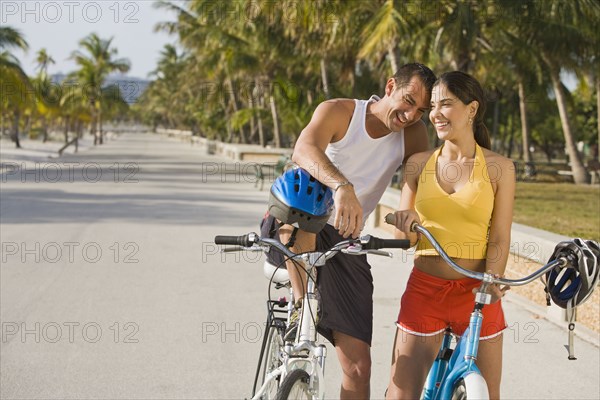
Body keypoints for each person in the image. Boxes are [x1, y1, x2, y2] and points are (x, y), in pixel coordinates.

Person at [263, 63, 436, 399]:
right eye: (408, 100)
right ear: (390, 87)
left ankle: (312, 307)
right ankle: (304, 305)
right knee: (305, 188)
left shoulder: (413, 135)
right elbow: (304, 149)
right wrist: (342, 187)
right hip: (295, 217)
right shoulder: (340, 111)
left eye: (421, 110)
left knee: (358, 368)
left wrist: (410, 213)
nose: (411, 114)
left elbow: (418, 182)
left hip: (346, 238)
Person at [385, 71, 516, 400]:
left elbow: (500, 236)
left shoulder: (500, 168)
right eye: (432, 106)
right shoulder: (417, 165)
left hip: (478, 293)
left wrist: (494, 276)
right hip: (425, 291)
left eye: (446, 104)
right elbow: (407, 239)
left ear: (471, 109)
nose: (435, 114)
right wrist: (406, 221)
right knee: (401, 394)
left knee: (488, 394)